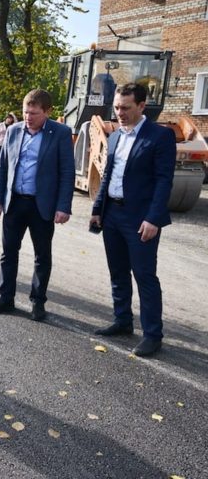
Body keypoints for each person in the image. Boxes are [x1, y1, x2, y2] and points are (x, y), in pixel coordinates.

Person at [90, 83, 176, 357]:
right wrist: (97, 208)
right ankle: (123, 321)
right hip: (112, 214)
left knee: (144, 276)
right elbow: (108, 176)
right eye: (116, 107)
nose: (119, 113)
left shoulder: (160, 137)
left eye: (125, 108)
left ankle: (153, 335)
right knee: (117, 272)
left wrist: (154, 218)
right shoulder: (114, 136)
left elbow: (164, 182)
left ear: (142, 106)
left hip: (141, 219)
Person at [0, 89, 74, 321]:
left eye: (34, 113)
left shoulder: (61, 133)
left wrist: (64, 206)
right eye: (25, 112)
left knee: (42, 255)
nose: (28, 117)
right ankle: (5, 297)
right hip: (15, 203)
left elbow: (67, 172)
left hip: (41, 205)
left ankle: (37, 301)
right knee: (8, 252)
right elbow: (2, 166)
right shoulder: (13, 131)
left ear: (47, 112)